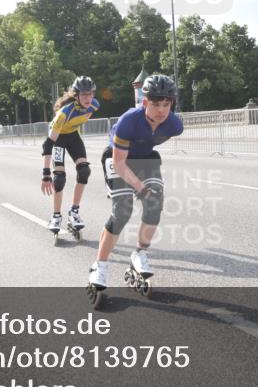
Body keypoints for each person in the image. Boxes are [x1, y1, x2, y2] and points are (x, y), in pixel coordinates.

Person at [88, 74, 183, 291]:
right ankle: (99, 266)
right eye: (156, 104)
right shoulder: (129, 121)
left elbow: (151, 142)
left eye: (166, 104)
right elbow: (120, 163)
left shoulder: (175, 125)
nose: (161, 110)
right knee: (122, 211)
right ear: (145, 102)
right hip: (118, 158)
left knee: (155, 202)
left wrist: (148, 189)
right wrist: (139, 187)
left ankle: (139, 253)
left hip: (145, 157)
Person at [41, 76, 100, 238]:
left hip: (73, 137)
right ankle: (56, 216)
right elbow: (48, 145)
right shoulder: (64, 113)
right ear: (76, 95)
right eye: (84, 95)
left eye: (91, 94)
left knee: (84, 171)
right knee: (59, 178)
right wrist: (46, 174)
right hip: (58, 139)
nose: (88, 99)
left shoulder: (94, 106)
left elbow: (77, 123)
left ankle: (74, 212)